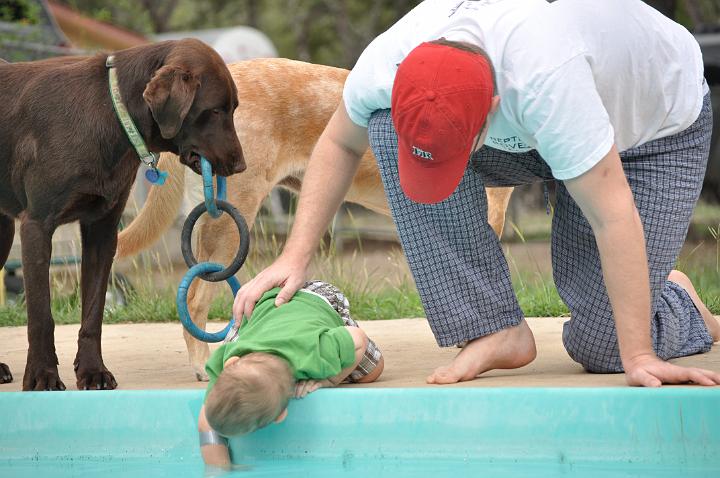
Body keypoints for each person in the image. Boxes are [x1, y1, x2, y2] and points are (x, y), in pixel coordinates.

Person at [234, 0, 720, 387]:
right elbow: (340, 141)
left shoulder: (546, 78)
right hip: (533, 127)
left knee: (606, 349)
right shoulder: (390, 58)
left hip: (650, 129)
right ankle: (495, 326)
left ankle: (675, 299)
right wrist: (294, 257)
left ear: (489, 112)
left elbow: (612, 216)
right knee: (380, 124)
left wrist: (637, 355)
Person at [199, 281, 384, 468]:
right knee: (243, 335)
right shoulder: (228, 359)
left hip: (319, 297)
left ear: (281, 416)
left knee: (373, 371)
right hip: (263, 302)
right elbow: (207, 420)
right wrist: (219, 469)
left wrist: (329, 380)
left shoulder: (315, 355)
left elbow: (358, 338)